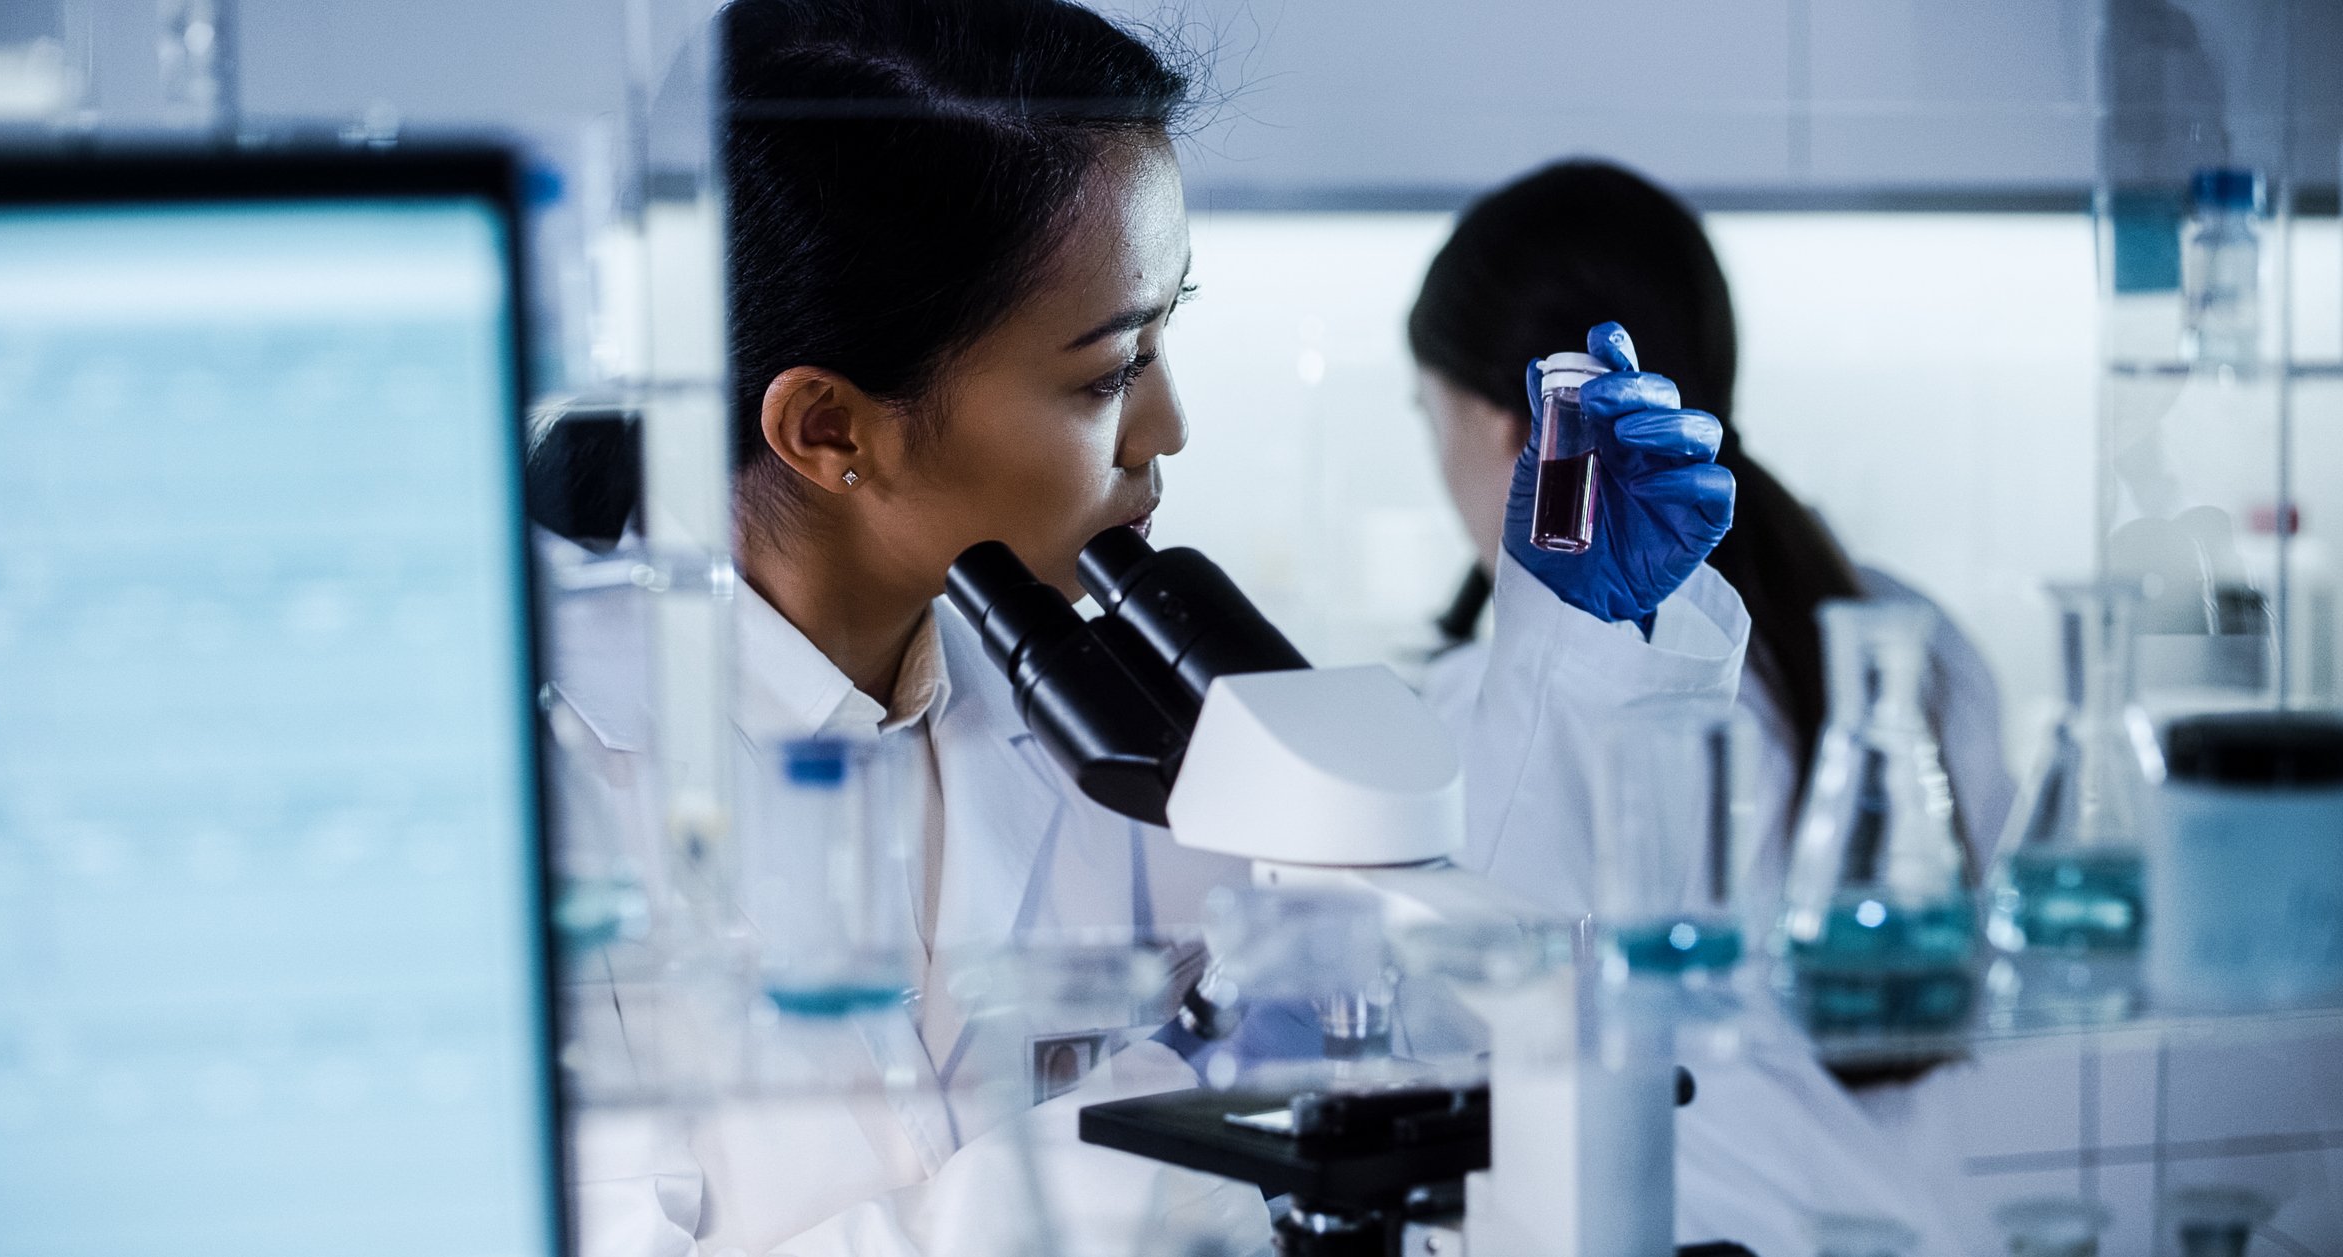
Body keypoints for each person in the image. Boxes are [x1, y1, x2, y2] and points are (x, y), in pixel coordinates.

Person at [546, 5, 1961, 1252]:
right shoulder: (548, 775)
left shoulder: (1079, 698)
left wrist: (1573, 627)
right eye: (1111, 369)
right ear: (830, 428)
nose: (1170, 427)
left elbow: (1451, 978)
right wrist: (1168, 1111)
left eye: (1164, 339)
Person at [1407, 159, 2016, 935]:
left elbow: (1498, 999)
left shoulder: (1482, 720)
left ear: (1526, 430)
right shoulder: (1915, 638)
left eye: (1427, 415)